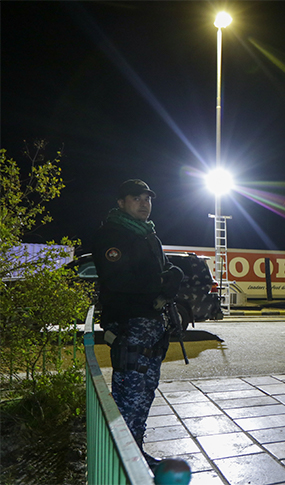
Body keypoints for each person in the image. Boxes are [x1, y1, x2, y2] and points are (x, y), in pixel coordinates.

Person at [92, 179, 183, 469]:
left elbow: (162, 269)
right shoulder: (112, 234)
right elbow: (118, 280)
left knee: (144, 395)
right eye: (137, 198)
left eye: (148, 198)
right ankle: (122, 462)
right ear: (121, 202)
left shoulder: (149, 235)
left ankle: (135, 455)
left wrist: (172, 274)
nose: (144, 203)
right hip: (129, 326)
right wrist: (159, 281)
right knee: (128, 399)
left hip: (153, 326)